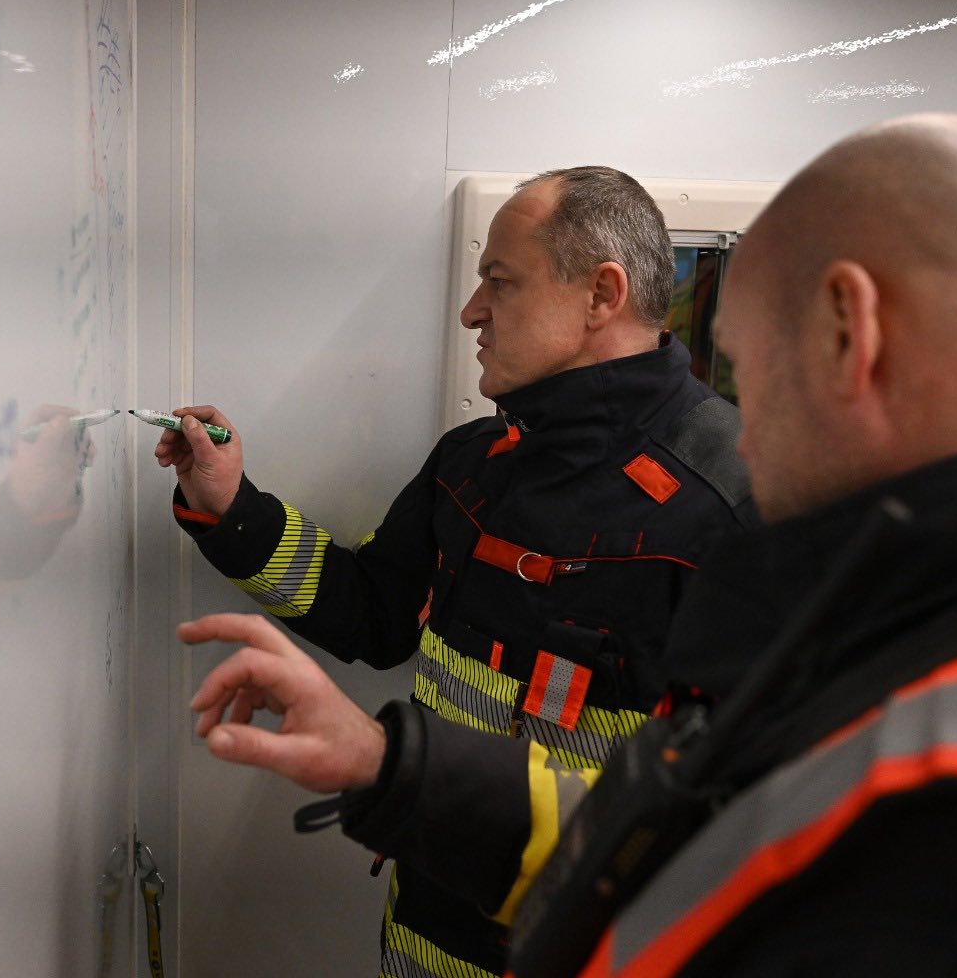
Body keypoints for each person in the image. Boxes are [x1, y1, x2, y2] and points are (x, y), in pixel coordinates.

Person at [182, 113, 957, 976]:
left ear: (849, 332)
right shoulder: (475, 460)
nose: (748, 429)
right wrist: (237, 517)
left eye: (753, 369)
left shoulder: (742, 517)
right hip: (434, 914)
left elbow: (728, 873)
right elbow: (691, 838)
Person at [157, 167, 755, 976]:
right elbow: (376, 616)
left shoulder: (732, 504)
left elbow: (740, 816)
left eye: (499, 282)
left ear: (601, 295)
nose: (472, 310)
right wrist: (231, 508)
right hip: (424, 934)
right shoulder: (474, 462)